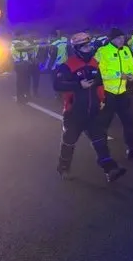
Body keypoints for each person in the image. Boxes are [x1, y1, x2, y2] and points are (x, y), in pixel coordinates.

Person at [54, 32, 127, 182]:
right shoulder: (68, 66)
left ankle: (110, 170)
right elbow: (57, 85)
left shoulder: (94, 63)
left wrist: (102, 99)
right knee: (69, 142)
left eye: (90, 45)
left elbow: (99, 84)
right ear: (78, 48)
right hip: (74, 113)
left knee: (100, 141)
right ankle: (63, 168)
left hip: (92, 112)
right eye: (86, 46)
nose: (89, 48)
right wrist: (78, 85)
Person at [95, 28, 133, 158]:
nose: (122, 40)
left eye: (123, 38)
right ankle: (102, 152)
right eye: (118, 38)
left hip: (122, 92)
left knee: (129, 122)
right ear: (112, 39)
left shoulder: (126, 50)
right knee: (104, 123)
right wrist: (118, 75)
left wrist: (132, 75)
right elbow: (99, 72)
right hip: (108, 93)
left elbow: (131, 66)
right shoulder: (102, 52)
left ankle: (131, 148)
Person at [10, 31, 34, 104]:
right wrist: (31, 43)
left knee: (21, 81)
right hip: (21, 64)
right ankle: (21, 97)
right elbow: (28, 49)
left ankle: (21, 96)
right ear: (19, 36)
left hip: (20, 64)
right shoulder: (17, 43)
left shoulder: (14, 43)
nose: (23, 37)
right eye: (22, 36)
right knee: (22, 81)